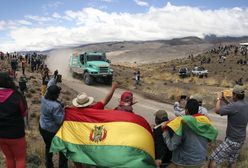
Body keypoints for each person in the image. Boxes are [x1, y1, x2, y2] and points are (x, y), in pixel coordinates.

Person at [66, 82, 118, 168]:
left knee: (74, 152)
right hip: (92, 138)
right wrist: (113, 88)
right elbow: (106, 100)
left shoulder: (72, 112)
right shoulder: (95, 108)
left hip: (79, 138)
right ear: (88, 102)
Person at [163, 99, 217, 168]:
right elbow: (209, 139)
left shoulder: (181, 124)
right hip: (201, 162)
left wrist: (165, 131)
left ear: (187, 110)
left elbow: (171, 146)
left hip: (183, 163)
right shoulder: (205, 122)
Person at [209, 85, 248, 168]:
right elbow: (234, 108)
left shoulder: (234, 106)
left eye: (232, 94)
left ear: (235, 95)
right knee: (232, 160)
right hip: (240, 139)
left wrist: (219, 99)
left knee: (213, 159)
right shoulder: (246, 104)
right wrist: (225, 100)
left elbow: (217, 110)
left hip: (232, 140)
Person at [0, 72, 28, 168]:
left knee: (9, 158)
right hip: (16, 134)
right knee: (20, 158)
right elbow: (24, 113)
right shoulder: (17, 96)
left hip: (1, 135)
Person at [39, 85, 68, 168]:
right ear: (54, 95)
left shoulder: (44, 98)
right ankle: (62, 166)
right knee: (62, 148)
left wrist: (59, 104)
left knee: (48, 146)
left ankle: (49, 164)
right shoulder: (56, 106)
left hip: (42, 126)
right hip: (51, 131)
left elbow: (52, 103)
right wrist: (64, 111)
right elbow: (59, 121)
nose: (58, 95)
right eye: (57, 94)